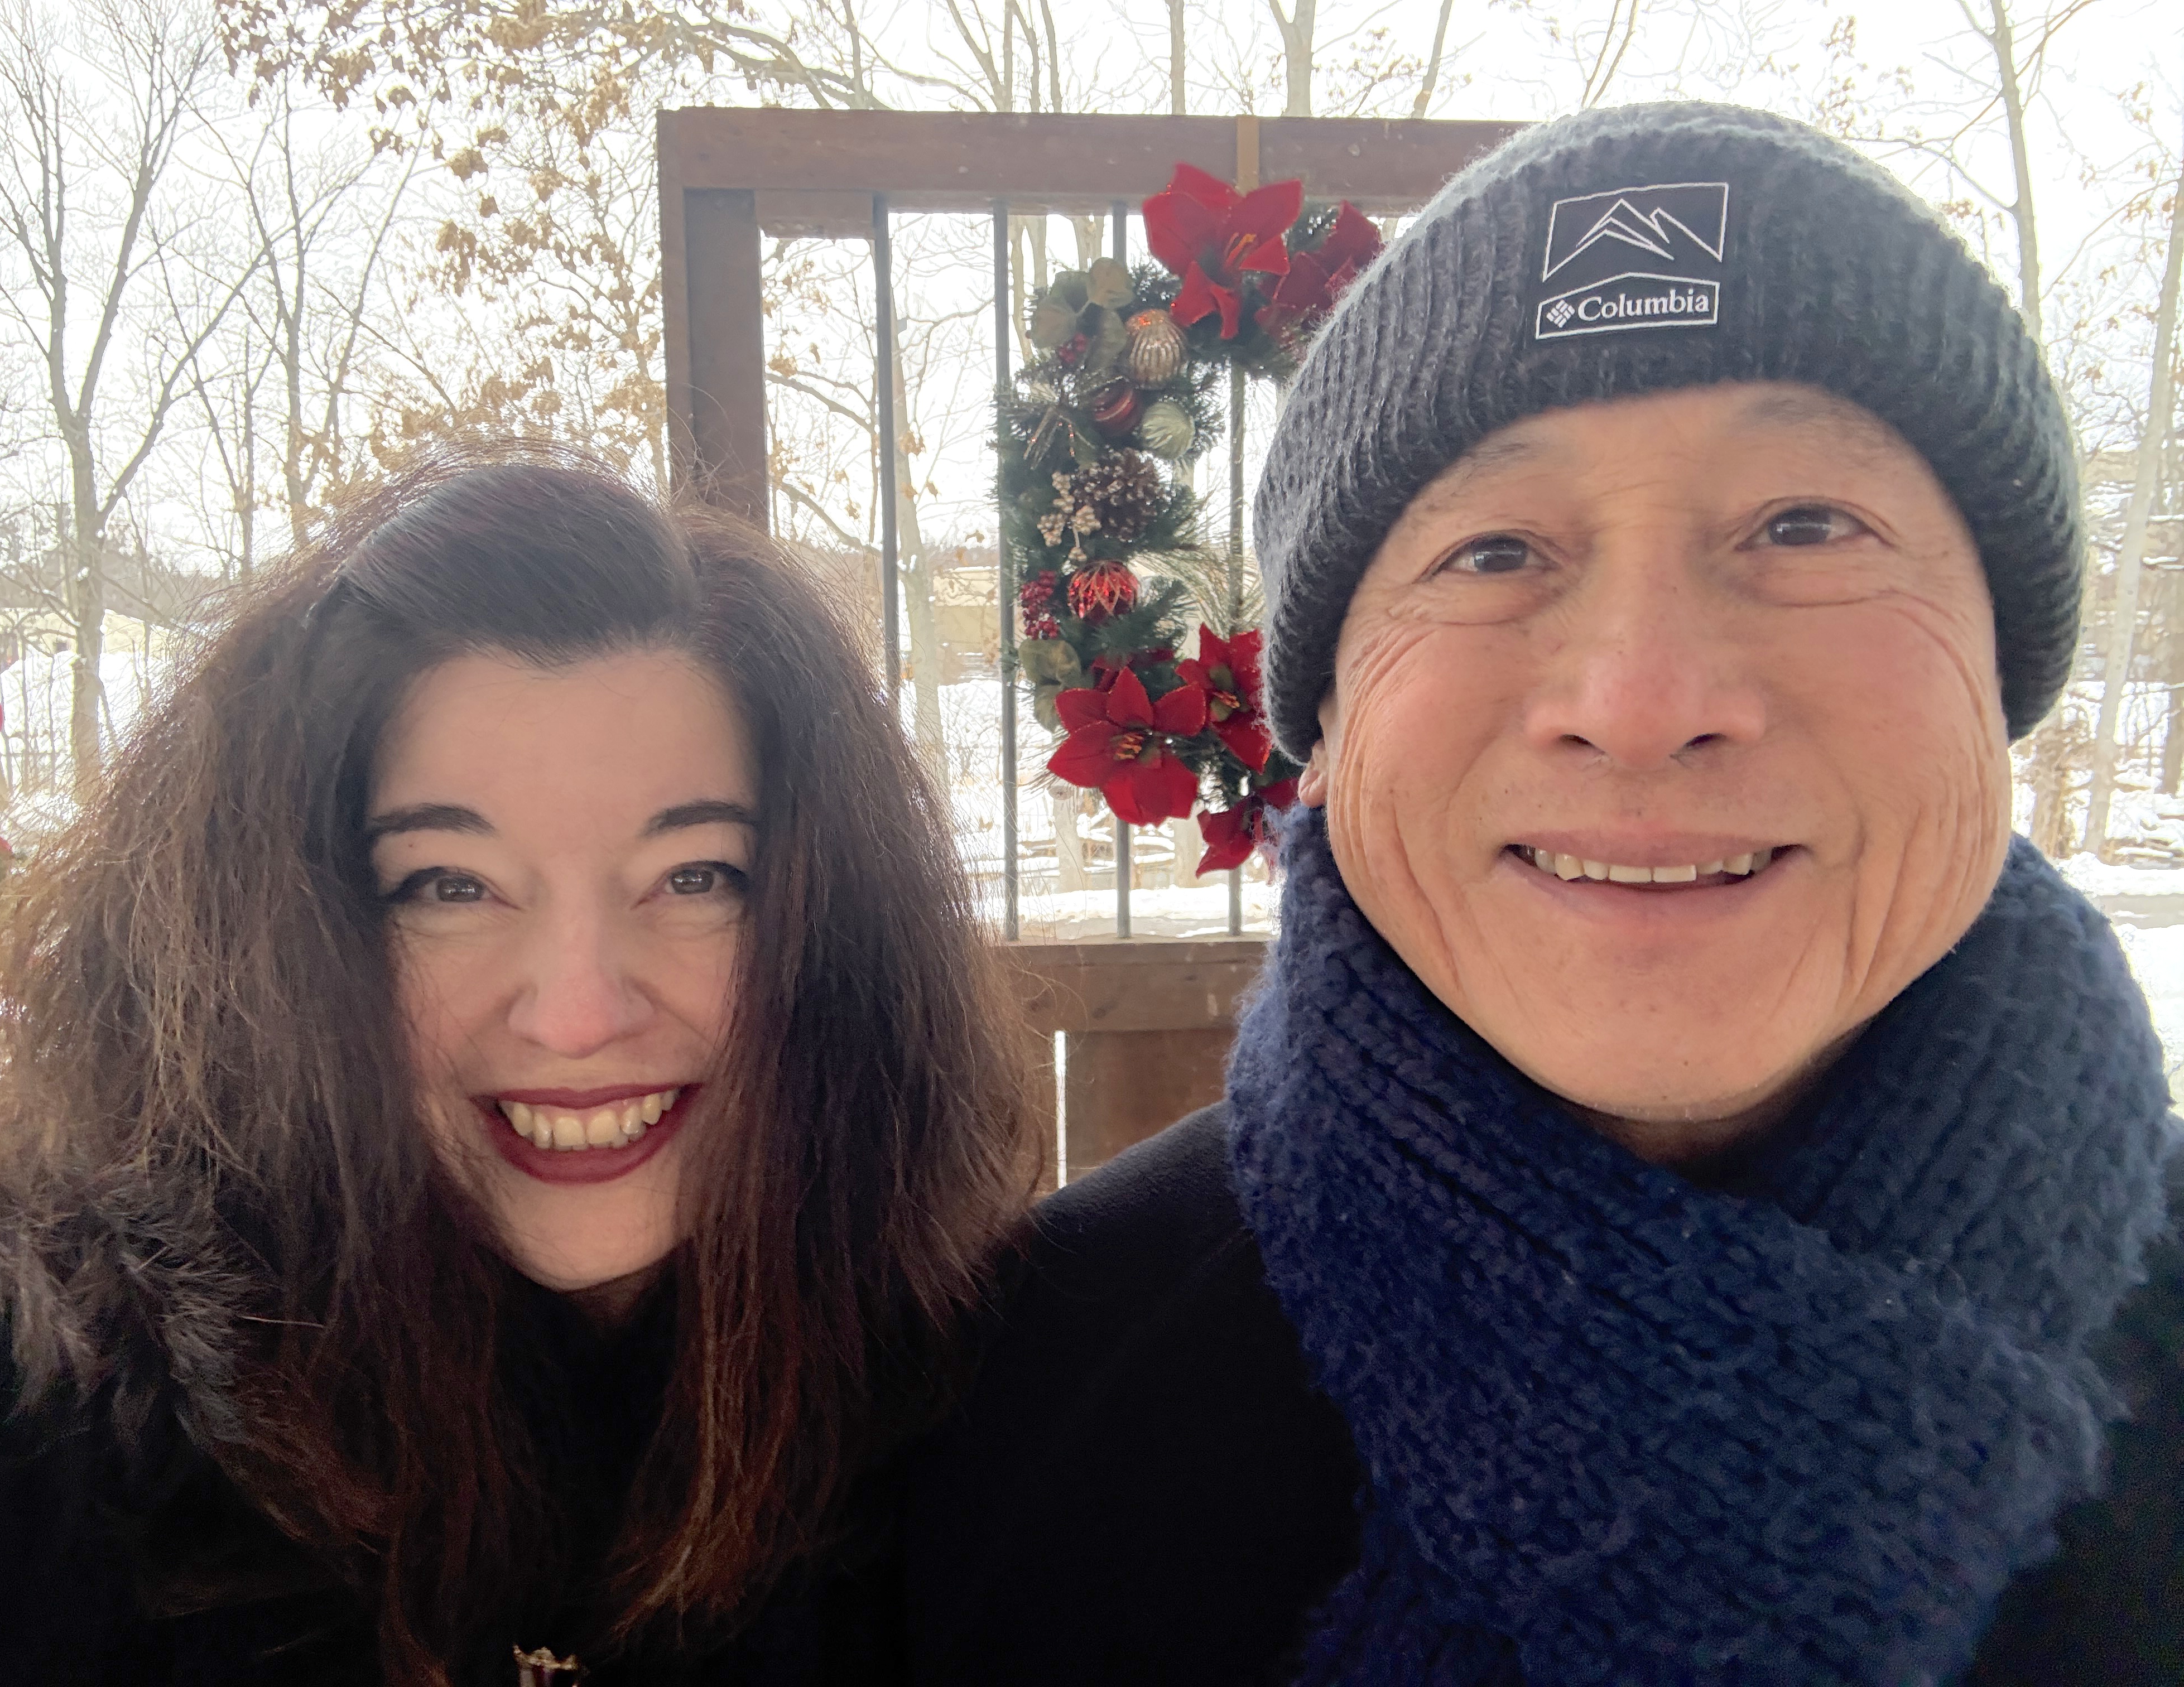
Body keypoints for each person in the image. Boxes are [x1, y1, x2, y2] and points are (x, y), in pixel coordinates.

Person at [907, 103, 2183, 1685]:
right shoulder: (1011, 1419)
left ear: (2003, 664)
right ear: (1329, 715)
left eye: (1805, 524)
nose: (1641, 697)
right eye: (1495, 548)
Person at [0, 454, 1031, 1686]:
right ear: (264, 942)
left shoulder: (979, 1395)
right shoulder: (14, 1417)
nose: (577, 1015)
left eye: (698, 879)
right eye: (446, 888)